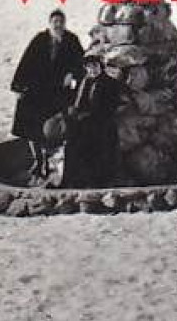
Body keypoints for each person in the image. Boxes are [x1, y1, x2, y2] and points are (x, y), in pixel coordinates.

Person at [10, 10, 85, 183]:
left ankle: (50, 161)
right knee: (29, 124)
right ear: (49, 23)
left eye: (61, 22)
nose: (58, 25)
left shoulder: (71, 40)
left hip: (58, 91)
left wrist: (72, 74)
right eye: (55, 22)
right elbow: (26, 62)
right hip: (37, 89)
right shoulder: (40, 40)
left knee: (54, 128)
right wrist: (19, 86)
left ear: (65, 23)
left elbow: (81, 63)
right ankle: (38, 160)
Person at [59, 52, 124, 189]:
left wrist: (89, 116)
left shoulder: (111, 83)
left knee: (96, 148)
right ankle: (70, 181)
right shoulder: (85, 82)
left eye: (95, 66)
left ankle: (96, 182)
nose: (92, 70)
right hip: (85, 123)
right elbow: (77, 103)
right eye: (89, 67)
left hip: (102, 124)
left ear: (100, 66)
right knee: (71, 145)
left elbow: (111, 107)